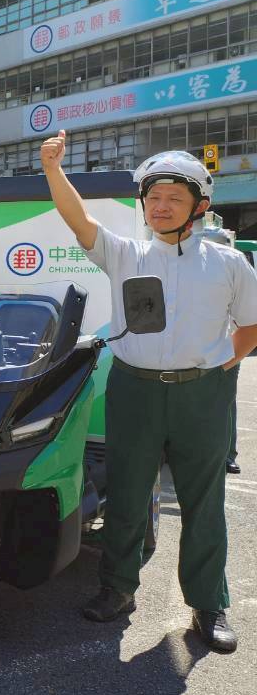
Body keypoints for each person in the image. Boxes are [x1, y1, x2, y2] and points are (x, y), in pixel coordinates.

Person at [41, 131, 257, 654]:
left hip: (201, 395)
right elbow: (80, 220)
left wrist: (214, 366)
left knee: (204, 502)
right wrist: (53, 170)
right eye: (153, 198)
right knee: (128, 494)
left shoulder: (229, 264)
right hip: (133, 389)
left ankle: (208, 604)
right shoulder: (125, 254)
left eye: (174, 199)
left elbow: (249, 329)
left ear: (199, 207)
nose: (160, 208)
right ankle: (117, 589)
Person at [200, 226, 244, 476]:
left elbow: (246, 320)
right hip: (194, 353)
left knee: (225, 404)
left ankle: (227, 454)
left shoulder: (234, 273)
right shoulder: (192, 274)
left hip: (225, 352)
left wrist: (231, 357)